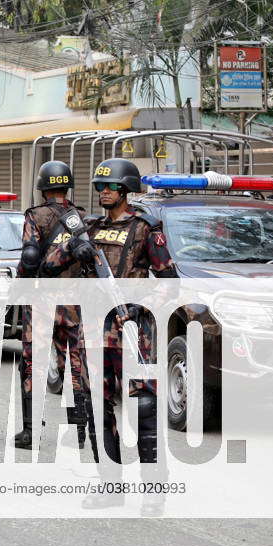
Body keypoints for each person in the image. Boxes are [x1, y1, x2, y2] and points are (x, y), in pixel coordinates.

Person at [42, 158, 177, 512]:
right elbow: (48, 264)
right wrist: (72, 247)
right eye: (100, 186)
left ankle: (154, 492)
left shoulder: (147, 228)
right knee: (96, 409)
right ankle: (110, 486)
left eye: (111, 187)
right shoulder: (85, 227)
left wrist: (140, 305)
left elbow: (170, 283)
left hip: (133, 331)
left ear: (126, 190)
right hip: (91, 331)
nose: (104, 192)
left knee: (143, 407)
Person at [14, 160, 86, 450]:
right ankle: (79, 431)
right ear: (67, 185)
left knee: (33, 363)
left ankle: (31, 432)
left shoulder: (35, 216)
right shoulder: (80, 216)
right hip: (74, 299)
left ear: (42, 187)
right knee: (76, 364)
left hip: (42, 298)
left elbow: (30, 257)